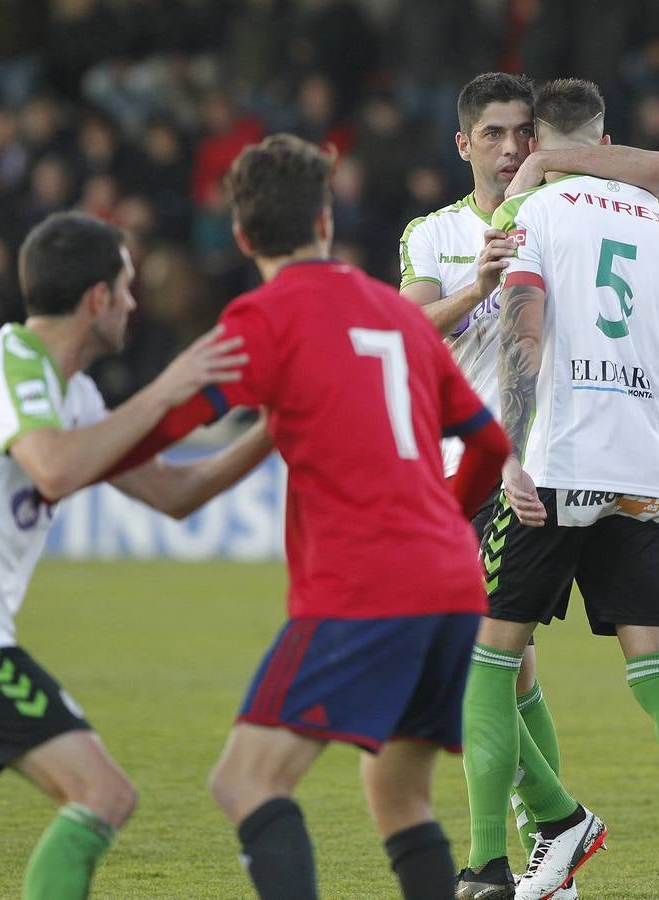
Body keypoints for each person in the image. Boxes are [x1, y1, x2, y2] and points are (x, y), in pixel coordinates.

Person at [111, 133, 511, 900]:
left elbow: (158, 436)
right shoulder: (394, 314)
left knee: (246, 783)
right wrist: (445, 526)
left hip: (365, 586)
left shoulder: (263, 318)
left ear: (239, 235)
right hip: (452, 583)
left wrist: (71, 445)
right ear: (326, 222)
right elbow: (490, 445)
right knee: (400, 798)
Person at [0, 210, 259, 897]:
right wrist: (170, 386)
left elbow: (171, 493)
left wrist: (275, 434)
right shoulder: (1, 362)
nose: (133, 302)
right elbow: (54, 469)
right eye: (124, 287)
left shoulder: (74, 393)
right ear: (97, 298)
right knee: (102, 794)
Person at [460, 77, 659, 900]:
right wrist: (646, 393)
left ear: (541, 145)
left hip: (553, 468)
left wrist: (509, 453)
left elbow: (524, 337)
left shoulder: (531, 215)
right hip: (643, 475)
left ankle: (483, 866)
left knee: (489, 661)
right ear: (604, 138)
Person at [396, 71, 659, 894]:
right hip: (459, 465)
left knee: (481, 663)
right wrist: (477, 288)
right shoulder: (437, 234)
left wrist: (544, 176)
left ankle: (545, 838)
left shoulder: (565, 211)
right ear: (462, 143)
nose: (513, 146)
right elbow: (408, 328)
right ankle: (556, 836)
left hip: (534, 461)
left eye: (524, 132)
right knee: (503, 672)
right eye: (494, 134)